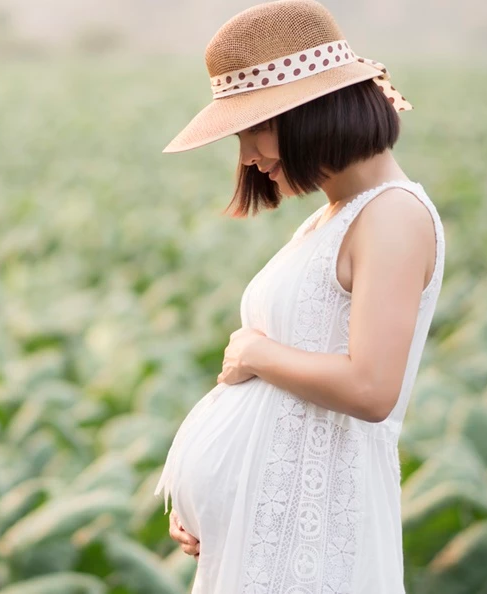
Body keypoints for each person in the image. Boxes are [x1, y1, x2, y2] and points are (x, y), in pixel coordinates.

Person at [152, 1, 446, 593]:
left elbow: (370, 389)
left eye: (251, 130)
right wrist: (218, 504)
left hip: (311, 543)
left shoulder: (392, 217)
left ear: (308, 112)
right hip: (269, 535)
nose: (248, 158)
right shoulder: (334, 218)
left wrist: (251, 354)